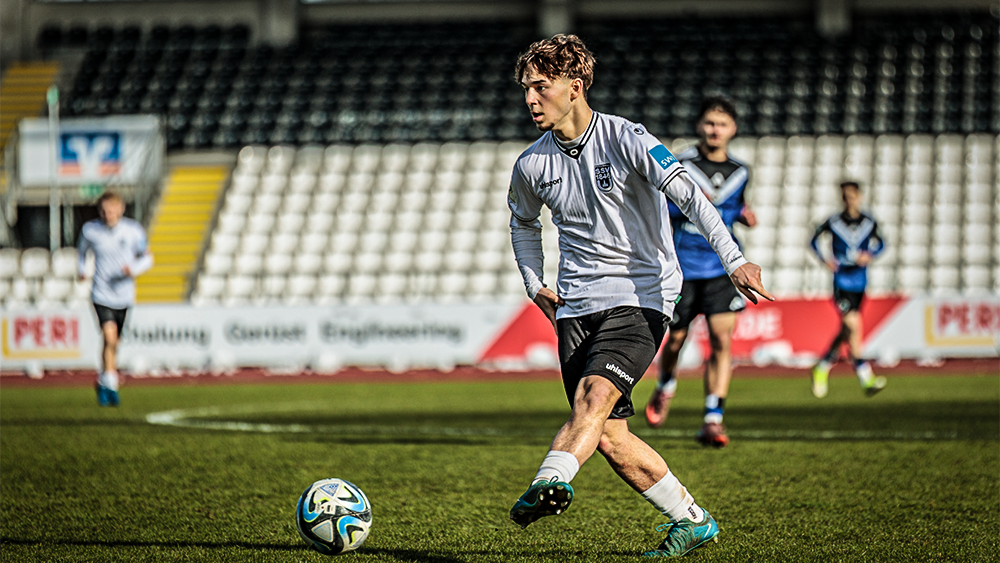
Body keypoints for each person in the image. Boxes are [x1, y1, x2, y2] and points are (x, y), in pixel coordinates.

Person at [506, 34, 773, 557]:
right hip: (575, 307)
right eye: (525, 89)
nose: (530, 99)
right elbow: (522, 223)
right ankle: (692, 519)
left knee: (593, 400)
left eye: (540, 87)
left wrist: (733, 258)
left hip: (642, 296)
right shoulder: (531, 164)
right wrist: (534, 283)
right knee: (607, 434)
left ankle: (549, 480)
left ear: (574, 87)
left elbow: (690, 196)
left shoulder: (628, 138)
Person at [644, 97, 756, 448]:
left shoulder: (741, 172)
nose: (715, 130)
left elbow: (731, 208)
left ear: (733, 129)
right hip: (682, 267)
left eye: (721, 124)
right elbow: (664, 207)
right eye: (709, 123)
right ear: (699, 126)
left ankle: (713, 417)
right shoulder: (680, 165)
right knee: (675, 340)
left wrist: (742, 215)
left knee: (722, 341)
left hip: (722, 267)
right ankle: (666, 386)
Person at [808, 181, 886, 398]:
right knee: (853, 325)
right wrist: (825, 260)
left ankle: (822, 366)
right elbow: (813, 240)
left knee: (847, 329)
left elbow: (881, 243)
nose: (849, 200)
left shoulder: (868, 222)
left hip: (860, 281)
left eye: (852, 196)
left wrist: (870, 255)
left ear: (859, 197)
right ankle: (865, 376)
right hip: (841, 281)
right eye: (845, 196)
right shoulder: (834, 221)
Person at [77, 191, 153, 406]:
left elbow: (147, 257)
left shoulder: (132, 230)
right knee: (109, 338)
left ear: (120, 209)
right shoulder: (91, 230)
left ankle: (105, 381)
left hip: (124, 295)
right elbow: (82, 252)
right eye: (103, 210)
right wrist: (82, 270)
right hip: (101, 293)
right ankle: (111, 383)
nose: (107, 214)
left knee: (114, 343)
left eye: (110, 210)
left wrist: (133, 269)